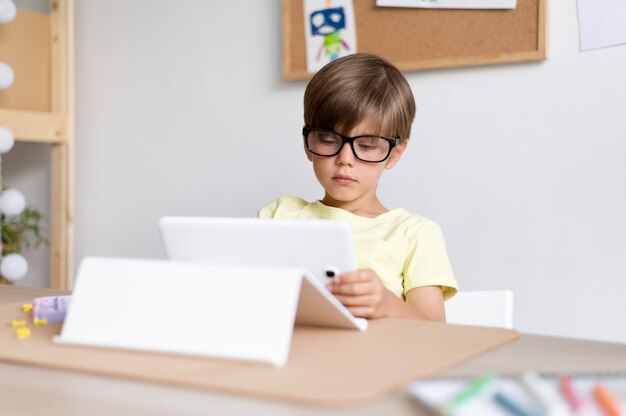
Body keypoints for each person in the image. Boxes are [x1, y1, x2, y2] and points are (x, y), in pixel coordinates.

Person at [257, 53, 457, 321]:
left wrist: (387, 305)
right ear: (308, 144)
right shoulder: (279, 213)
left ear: (395, 154)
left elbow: (436, 336)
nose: (345, 159)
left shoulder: (414, 234)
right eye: (329, 140)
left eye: (366, 145)